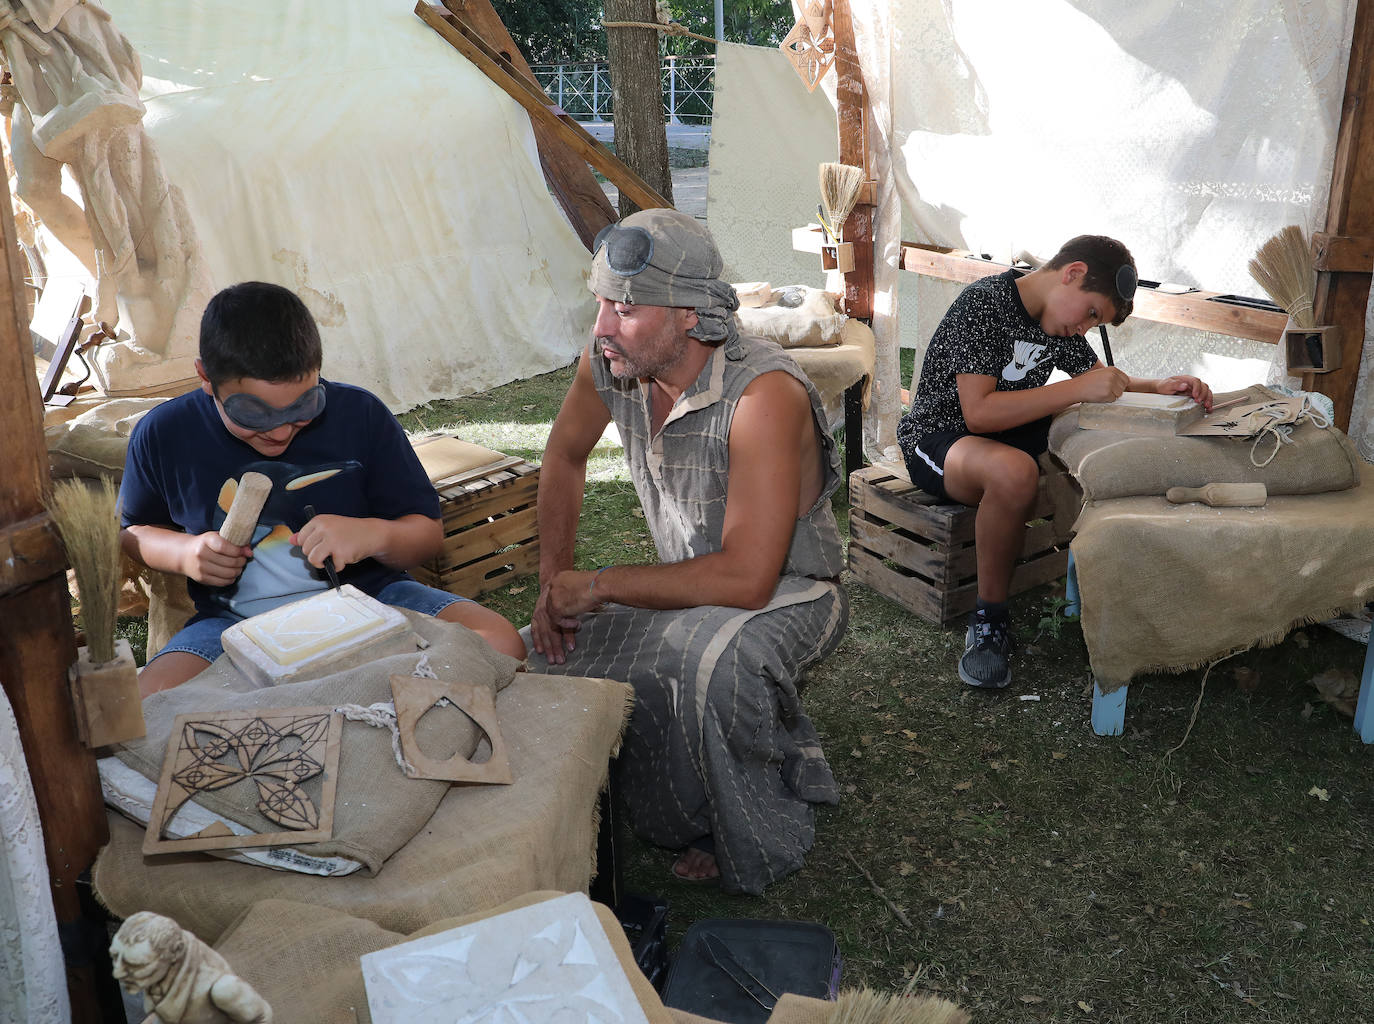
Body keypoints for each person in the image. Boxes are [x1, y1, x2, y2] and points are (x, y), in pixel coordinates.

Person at [526, 209, 848, 894]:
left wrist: (602, 585)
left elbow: (750, 579)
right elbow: (563, 454)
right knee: (537, 659)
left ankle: (751, 824)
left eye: (629, 308)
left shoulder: (763, 394)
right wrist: (554, 583)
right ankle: (711, 768)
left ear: (689, 316)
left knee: (707, 660)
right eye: (601, 303)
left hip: (794, 587)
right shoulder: (610, 361)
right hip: (694, 581)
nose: (604, 326)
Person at [119, 281, 525, 696]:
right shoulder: (165, 434)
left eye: (303, 408)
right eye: (252, 413)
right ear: (206, 377)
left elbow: (427, 535)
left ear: (318, 372)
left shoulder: (359, 415)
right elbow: (134, 532)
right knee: (143, 705)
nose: (279, 431)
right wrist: (184, 553)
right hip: (233, 624)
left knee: (500, 643)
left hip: (372, 598)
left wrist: (374, 536)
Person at [897, 235, 1213, 690]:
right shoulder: (985, 304)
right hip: (943, 438)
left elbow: (1094, 381)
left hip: (1009, 435)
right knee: (1015, 470)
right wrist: (1080, 391)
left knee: (1097, 435)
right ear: (1072, 274)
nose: (1085, 329)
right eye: (1091, 314)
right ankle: (988, 623)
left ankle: (1120, 587)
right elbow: (979, 413)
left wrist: (1160, 387)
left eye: (1095, 323)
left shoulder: (1057, 321)